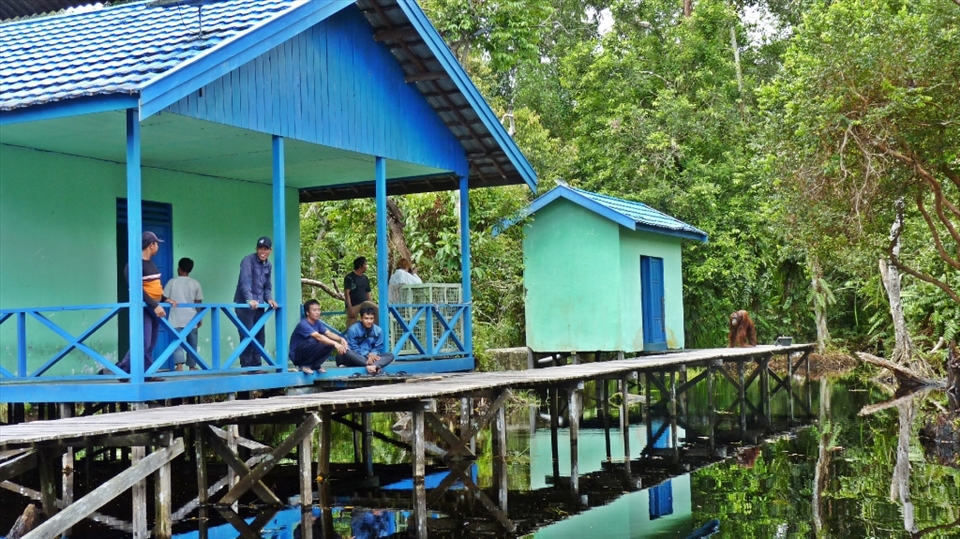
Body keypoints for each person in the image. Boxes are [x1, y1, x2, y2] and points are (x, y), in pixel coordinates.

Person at [116, 231, 176, 379]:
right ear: (151, 245)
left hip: (154, 308)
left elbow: (153, 288)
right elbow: (137, 290)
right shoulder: (134, 265)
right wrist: (155, 306)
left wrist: (164, 299)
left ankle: (148, 373)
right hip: (144, 309)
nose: (158, 247)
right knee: (143, 342)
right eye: (157, 244)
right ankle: (122, 370)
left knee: (150, 345)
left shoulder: (152, 264)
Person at [233, 236, 278, 372]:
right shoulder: (248, 260)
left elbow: (267, 287)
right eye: (260, 248)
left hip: (259, 306)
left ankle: (256, 365)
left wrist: (269, 299)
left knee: (259, 335)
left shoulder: (268, 265)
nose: (262, 251)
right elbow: (245, 281)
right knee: (247, 334)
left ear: (270, 250)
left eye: (266, 249)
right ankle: (247, 366)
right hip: (245, 305)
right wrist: (249, 299)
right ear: (256, 249)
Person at [163, 257, 204, 371]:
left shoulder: (172, 282)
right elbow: (198, 301)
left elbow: (164, 297)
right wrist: (199, 317)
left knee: (177, 342)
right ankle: (192, 366)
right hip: (191, 318)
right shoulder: (195, 283)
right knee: (192, 343)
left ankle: (179, 365)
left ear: (179, 268)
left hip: (176, 317)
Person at [289, 299, 348, 374]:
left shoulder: (317, 323)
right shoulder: (303, 324)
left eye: (319, 310)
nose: (317, 312)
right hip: (297, 356)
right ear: (307, 312)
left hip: (307, 351)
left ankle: (316, 365)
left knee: (329, 342)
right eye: (314, 310)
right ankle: (304, 365)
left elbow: (329, 334)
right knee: (315, 340)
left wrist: (340, 339)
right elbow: (318, 336)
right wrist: (335, 343)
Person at [339, 306, 394, 374]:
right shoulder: (353, 330)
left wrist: (373, 354)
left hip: (371, 357)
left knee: (390, 355)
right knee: (348, 353)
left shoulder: (378, 331)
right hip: (358, 356)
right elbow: (353, 348)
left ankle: (373, 365)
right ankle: (375, 365)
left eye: (371, 318)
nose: (369, 321)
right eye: (366, 318)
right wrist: (368, 355)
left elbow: (378, 347)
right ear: (361, 318)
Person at [344, 256, 377, 328]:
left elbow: (368, 293)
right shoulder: (349, 277)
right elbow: (347, 294)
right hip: (353, 305)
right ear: (360, 265)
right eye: (365, 264)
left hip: (364, 303)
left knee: (376, 309)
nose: (367, 266)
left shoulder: (365, 278)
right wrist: (350, 308)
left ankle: (375, 329)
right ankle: (350, 337)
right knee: (351, 323)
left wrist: (372, 305)